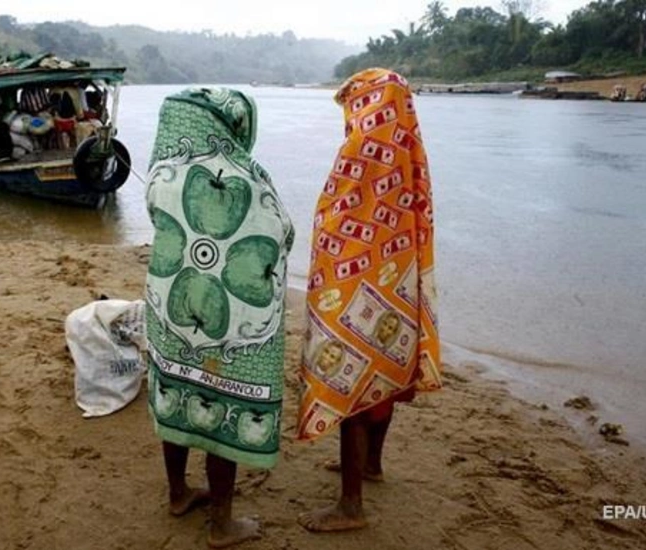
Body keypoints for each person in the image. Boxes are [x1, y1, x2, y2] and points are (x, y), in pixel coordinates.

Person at [144, 87, 293, 548]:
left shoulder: (161, 174)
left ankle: (178, 492)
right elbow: (279, 233)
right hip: (221, 320)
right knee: (219, 405)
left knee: (175, 390)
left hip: (170, 307)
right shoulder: (247, 178)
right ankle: (223, 525)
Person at [296, 68, 442, 532]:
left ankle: (351, 505)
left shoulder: (359, 150)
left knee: (352, 381)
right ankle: (372, 463)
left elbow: (337, 217)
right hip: (400, 274)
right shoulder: (408, 147)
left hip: (359, 279)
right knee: (384, 368)